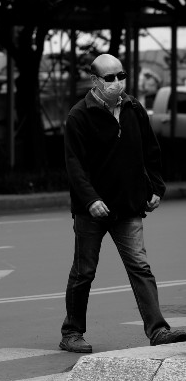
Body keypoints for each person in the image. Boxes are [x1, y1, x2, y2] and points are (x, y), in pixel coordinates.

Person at [59, 53, 186, 353]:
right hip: (92, 210)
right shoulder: (79, 115)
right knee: (84, 271)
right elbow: (74, 166)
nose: (117, 83)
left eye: (121, 75)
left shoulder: (133, 108)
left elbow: (151, 151)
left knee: (140, 267)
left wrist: (155, 186)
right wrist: (90, 200)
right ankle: (71, 332)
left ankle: (158, 330)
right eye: (110, 78)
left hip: (128, 207)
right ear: (95, 81)